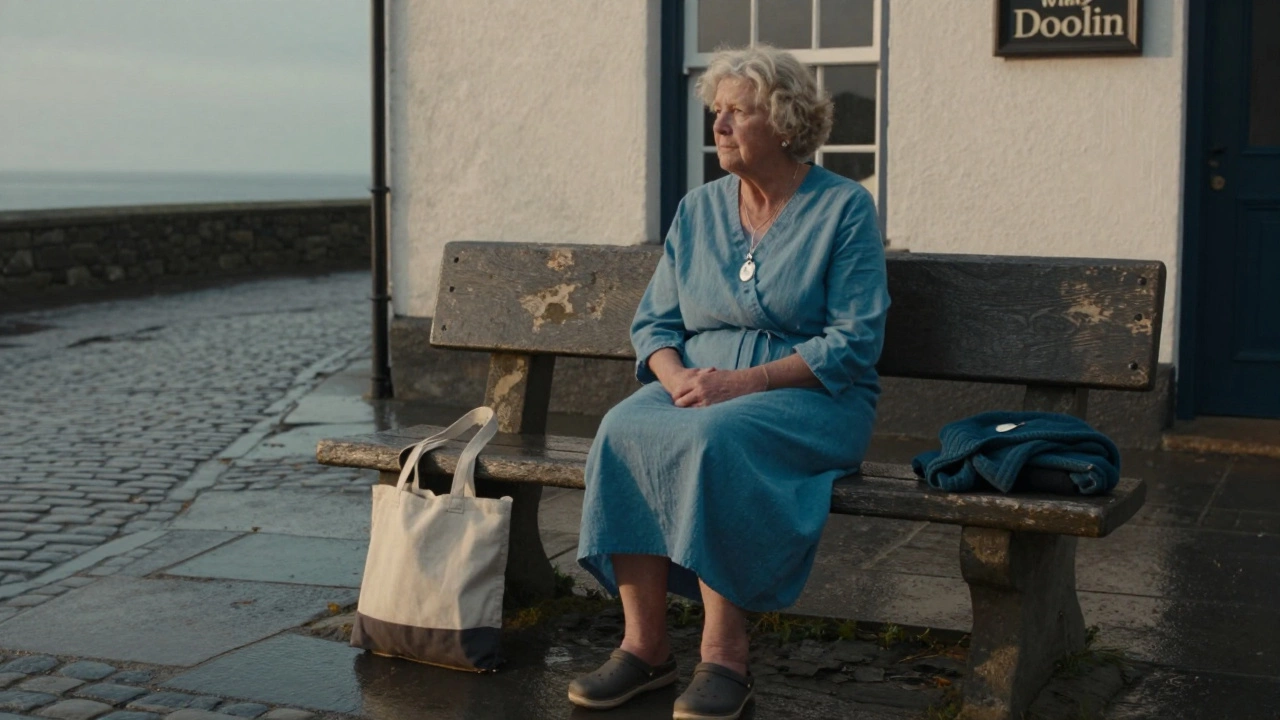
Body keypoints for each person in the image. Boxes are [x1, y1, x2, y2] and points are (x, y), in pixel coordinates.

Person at [568, 45, 889, 720]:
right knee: (622, 427)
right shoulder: (699, 209)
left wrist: (742, 385)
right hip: (700, 384)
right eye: (717, 113)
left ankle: (725, 658)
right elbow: (654, 324)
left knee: (715, 438)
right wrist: (676, 374)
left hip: (810, 395)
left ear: (784, 120)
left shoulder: (845, 209)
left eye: (735, 113)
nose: (718, 127)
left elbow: (855, 340)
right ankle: (645, 648)